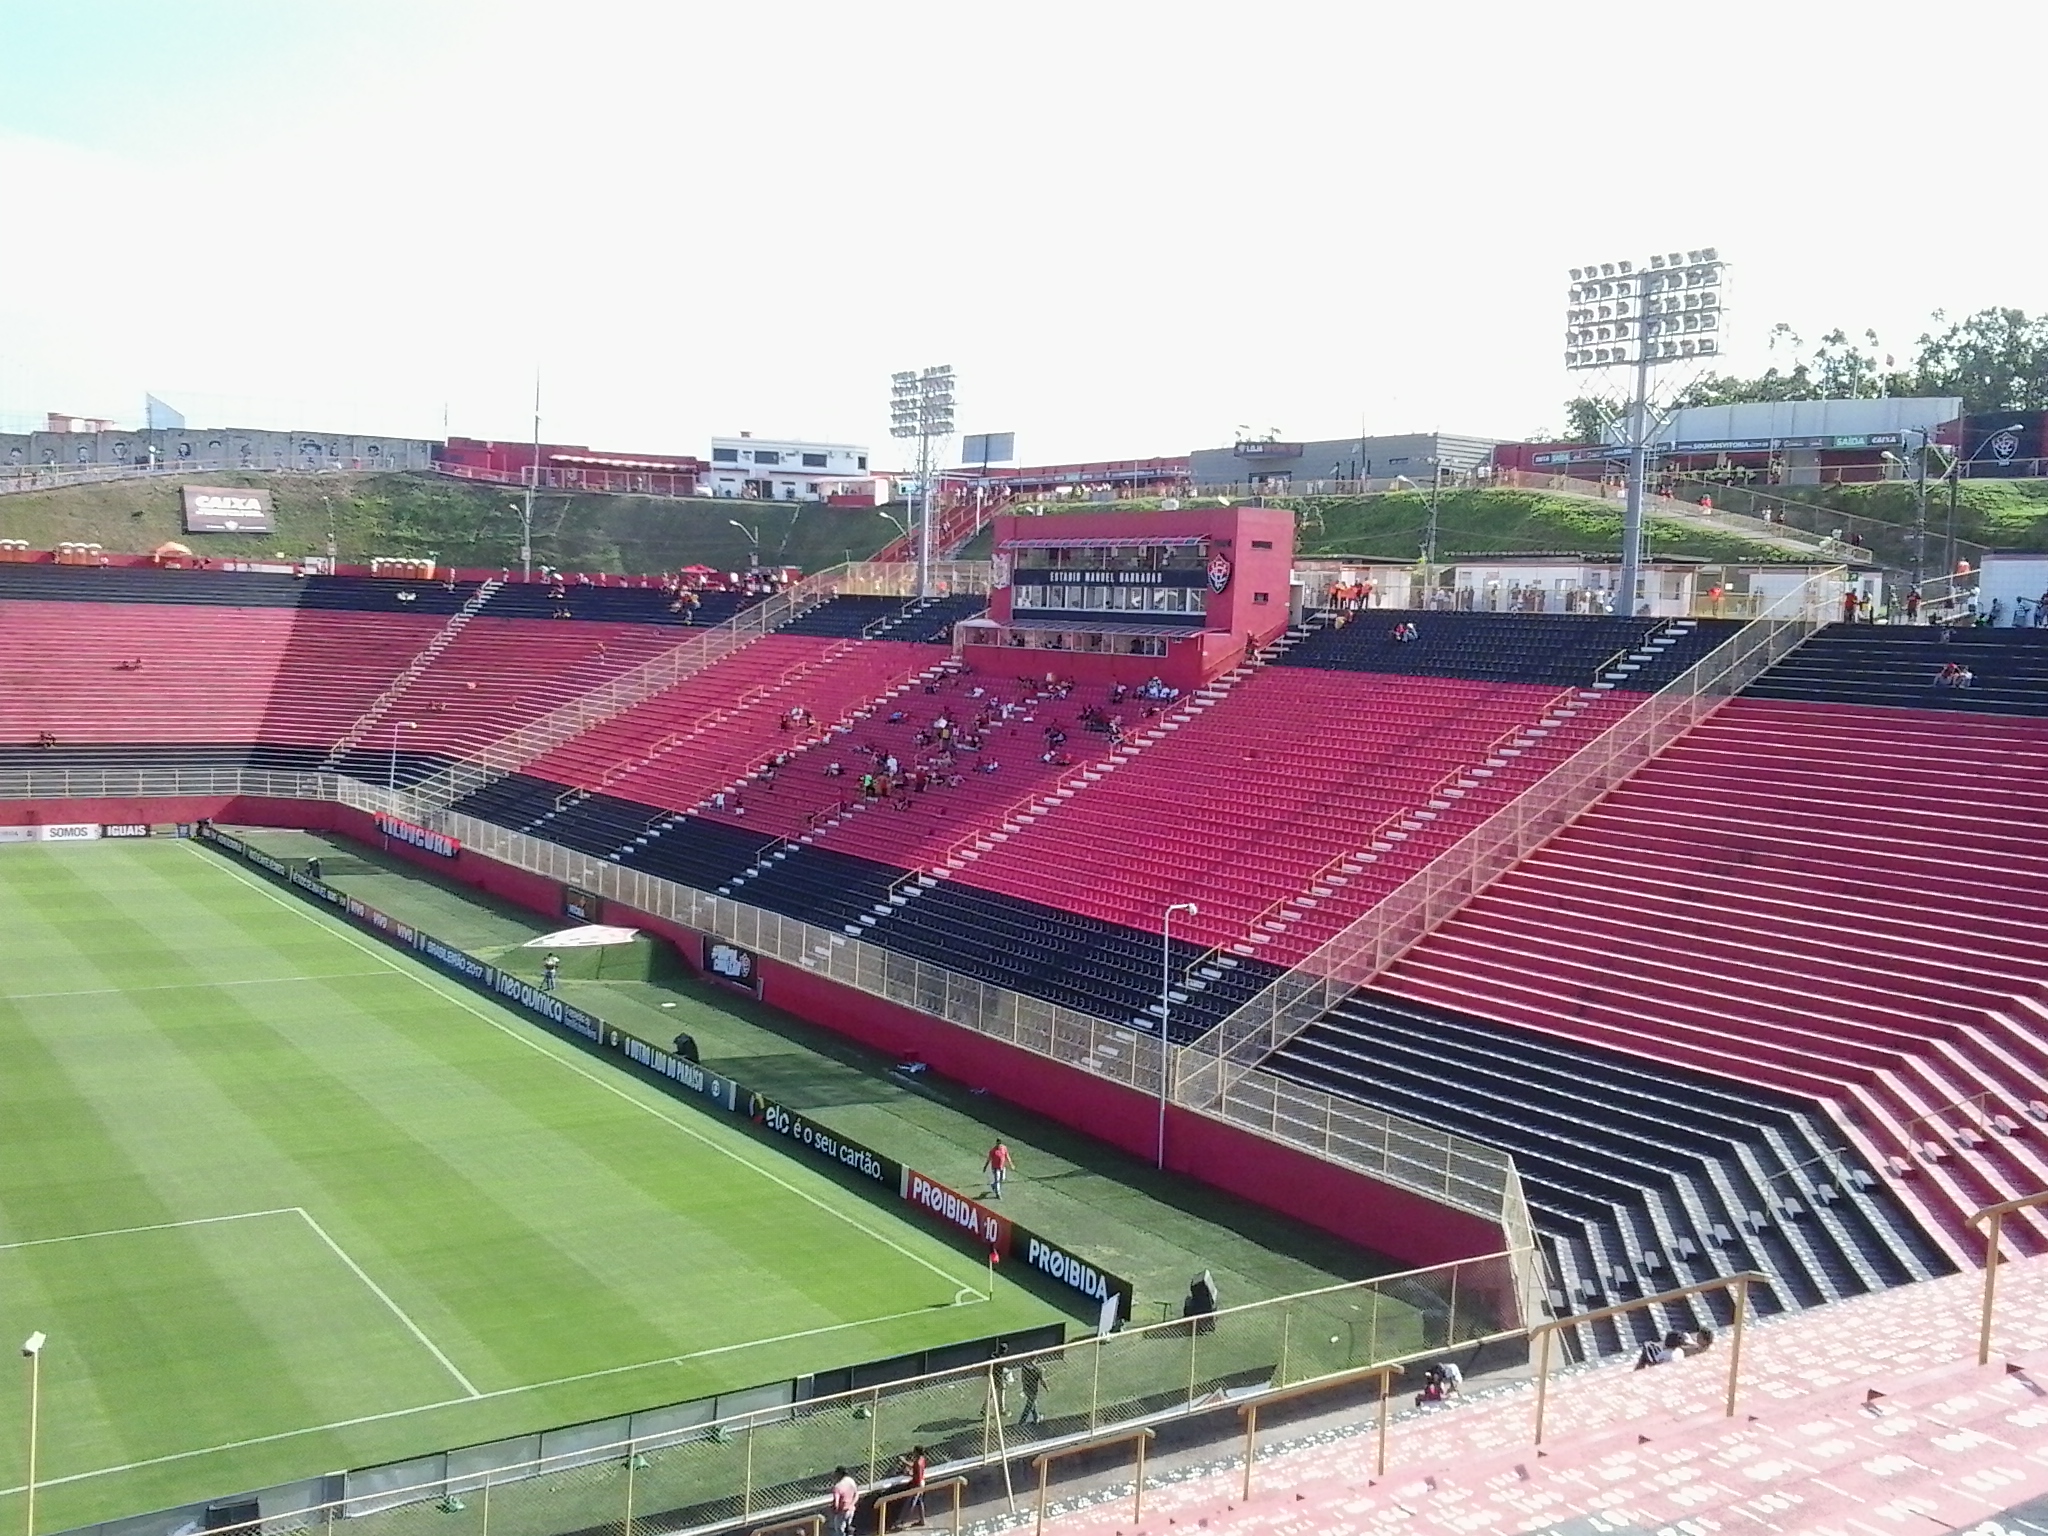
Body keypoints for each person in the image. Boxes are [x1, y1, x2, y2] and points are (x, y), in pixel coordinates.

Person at [898, 1446, 928, 1528]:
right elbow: (916, 1470)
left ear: (917, 1452)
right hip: (922, 1482)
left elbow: (916, 1473)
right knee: (920, 1502)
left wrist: (904, 1461)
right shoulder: (922, 1459)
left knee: (911, 1503)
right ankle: (922, 1520)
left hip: (917, 1485)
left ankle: (903, 1522)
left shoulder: (917, 1462)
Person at [827, 1467, 859, 1536]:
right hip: (851, 1510)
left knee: (840, 1530)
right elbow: (856, 1494)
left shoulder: (837, 1487)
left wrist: (835, 1512)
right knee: (848, 1529)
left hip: (842, 1511)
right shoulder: (851, 1481)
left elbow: (836, 1503)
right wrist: (851, 1505)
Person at [1019, 1356, 1045, 1426]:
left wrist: (1024, 1387)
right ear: (1036, 1359)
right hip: (1033, 1389)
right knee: (1029, 1405)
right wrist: (1046, 1387)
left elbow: (1022, 1378)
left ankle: (1036, 1418)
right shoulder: (1038, 1369)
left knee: (1033, 1403)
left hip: (1026, 1388)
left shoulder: (1024, 1368)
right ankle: (1022, 1420)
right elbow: (1042, 1380)